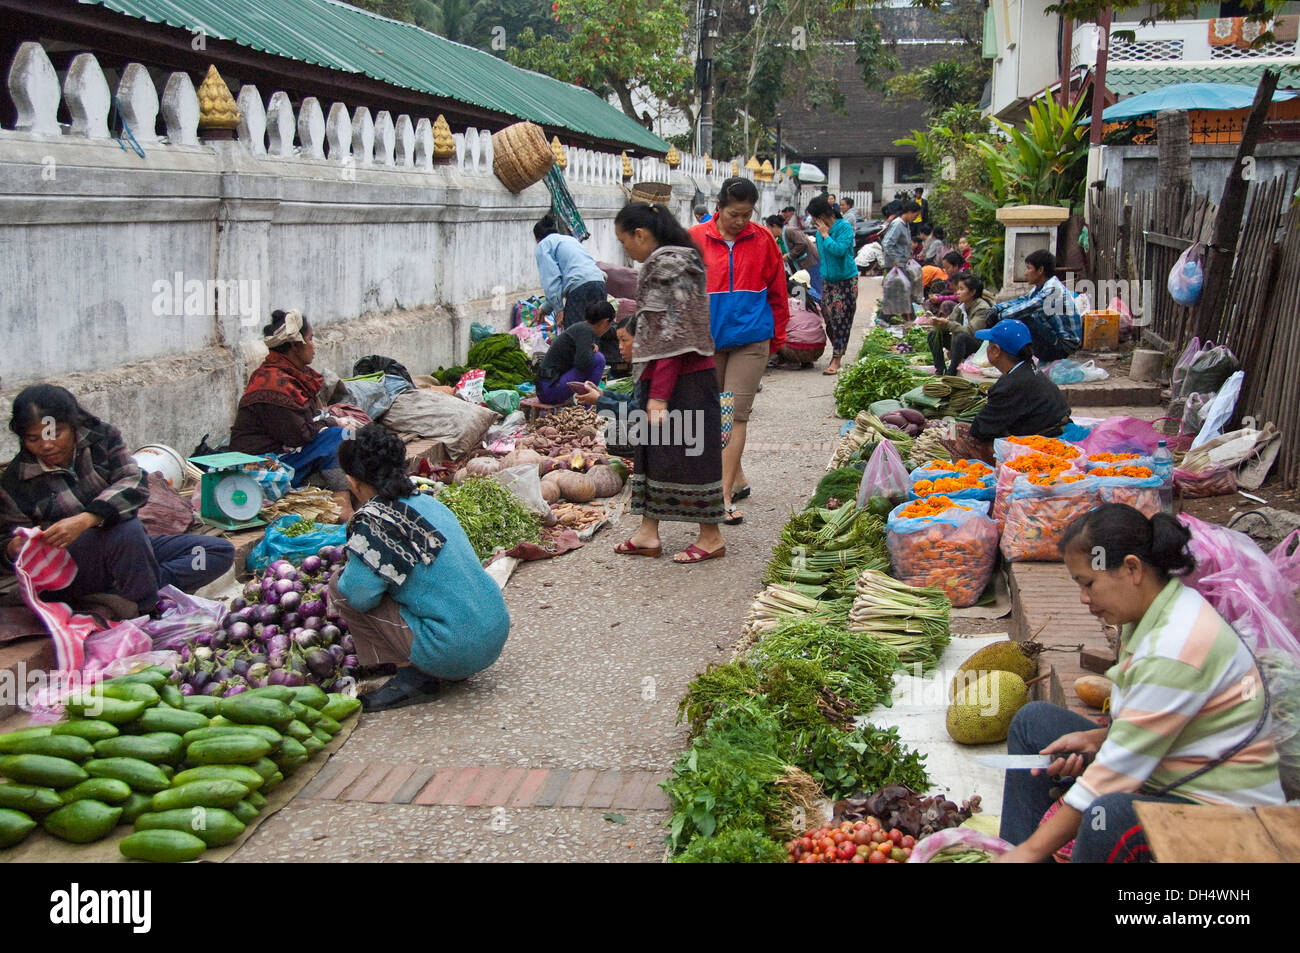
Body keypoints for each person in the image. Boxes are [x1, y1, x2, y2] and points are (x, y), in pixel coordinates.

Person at [997, 504, 1284, 863]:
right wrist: (1098, 739)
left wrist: (1031, 850)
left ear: (1132, 568)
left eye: (1089, 583)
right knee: (1032, 723)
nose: (1084, 599)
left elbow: (1113, 776)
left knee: (1108, 815)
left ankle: (1021, 856)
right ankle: (1005, 853)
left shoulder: (1176, 647)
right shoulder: (1152, 612)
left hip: (1226, 815)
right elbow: (1163, 721)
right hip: (1173, 773)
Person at [0, 385, 234, 616]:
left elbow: (134, 482)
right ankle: (148, 609)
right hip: (75, 571)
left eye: (56, 433)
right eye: (33, 439)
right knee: (126, 529)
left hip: (130, 552)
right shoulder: (16, 482)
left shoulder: (102, 439)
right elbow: (11, 549)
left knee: (214, 553)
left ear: (73, 425)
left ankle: (129, 591)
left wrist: (87, 518)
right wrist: (13, 548)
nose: (46, 445)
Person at [330, 423, 510, 712]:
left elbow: (359, 595)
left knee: (340, 587)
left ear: (353, 482)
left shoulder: (374, 519)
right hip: (494, 631)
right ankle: (437, 660)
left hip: (456, 650)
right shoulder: (428, 502)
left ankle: (411, 677)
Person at [613, 202, 726, 563]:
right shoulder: (667, 263)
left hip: (685, 380)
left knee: (693, 455)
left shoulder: (672, 267)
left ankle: (711, 537)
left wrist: (659, 397)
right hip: (661, 376)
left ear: (641, 234)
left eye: (624, 240)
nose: (625, 249)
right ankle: (648, 533)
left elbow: (673, 337)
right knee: (655, 453)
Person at [690, 177, 789, 526]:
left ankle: (722, 495)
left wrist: (774, 340)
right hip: (708, 343)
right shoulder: (695, 239)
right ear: (719, 207)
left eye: (747, 215)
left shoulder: (762, 240)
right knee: (713, 415)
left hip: (750, 342)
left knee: (734, 415)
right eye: (734, 214)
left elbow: (778, 292)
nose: (741, 221)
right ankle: (738, 476)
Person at [229, 310, 351, 514]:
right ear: (296, 345)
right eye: (311, 339)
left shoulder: (285, 375)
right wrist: (332, 423)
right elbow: (300, 436)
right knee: (337, 436)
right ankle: (344, 509)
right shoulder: (276, 383)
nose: (314, 346)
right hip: (260, 468)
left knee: (348, 436)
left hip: (282, 454)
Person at [945, 320, 1072, 463]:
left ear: (995, 351)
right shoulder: (1029, 369)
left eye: (988, 344)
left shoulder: (1010, 385)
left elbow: (980, 430)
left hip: (1043, 445)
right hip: (1052, 430)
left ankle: (980, 474)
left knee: (953, 433)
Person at [987, 249, 1081, 361]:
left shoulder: (1052, 289)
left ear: (1040, 270)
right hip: (1055, 339)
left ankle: (1017, 359)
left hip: (1065, 346)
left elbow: (1026, 308)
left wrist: (999, 317)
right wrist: (997, 308)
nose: (1025, 273)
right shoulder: (1041, 287)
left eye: (1029, 268)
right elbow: (1023, 300)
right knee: (1019, 318)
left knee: (1023, 317)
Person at [806, 194, 858, 376]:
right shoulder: (820, 232)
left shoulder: (843, 227)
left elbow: (839, 251)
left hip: (845, 280)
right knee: (828, 318)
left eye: (813, 217)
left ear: (821, 215)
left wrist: (826, 236)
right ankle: (838, 350)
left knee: (841, 320)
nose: (812, 221)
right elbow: (821, 255)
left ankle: (836, 358)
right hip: (828, 280)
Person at [533, 214, 606, 329]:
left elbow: (552, 280)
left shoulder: (543, 245)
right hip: (599, 283)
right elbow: (573, 277)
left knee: (575, 335)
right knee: (595, 332)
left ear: (537, 239)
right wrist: (545, 309)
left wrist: (559, 310)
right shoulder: (569, 240)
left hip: (580, 290)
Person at [534, 299, 614, 405]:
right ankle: (587, 405)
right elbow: (582, 363)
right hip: (549, 390)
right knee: (598, 359)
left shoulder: (581, 328)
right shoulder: (585, 331)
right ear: (605, 322)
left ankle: (585, 402)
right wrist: (590, 351)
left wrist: (588, 349)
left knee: (595, 357)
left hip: (545, 388)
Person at [927, 272, 992, 375]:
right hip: (960, 345)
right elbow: (950, 323)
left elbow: (971, 331)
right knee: (933, 334)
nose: (957, 292)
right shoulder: (960, 306)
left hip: (978, 347)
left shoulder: (982, 308)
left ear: (972, 292)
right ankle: (940, 369)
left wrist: (947, 323)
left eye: (961, 289)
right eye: (957, 289)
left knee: (961, 336)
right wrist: (939, 324)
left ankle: (951, 371)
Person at [880, 200, 921, 323]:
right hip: (896, 265)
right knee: (899, 290)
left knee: (902, 290)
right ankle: (886, 317)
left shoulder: (905, 224)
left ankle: (906, 317)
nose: (915, 218)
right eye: (915, 215)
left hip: (902, 263)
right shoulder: (898, 224)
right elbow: (886, 243)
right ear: (909, 212)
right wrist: (896, 260)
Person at [765, 214, 822, 301]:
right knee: (807, 292)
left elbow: (802, 244)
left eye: (768, 228)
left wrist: (789, 256)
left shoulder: (790, 231)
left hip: (809, 264)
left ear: (775, 226)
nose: (768, 231)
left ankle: (820, 309)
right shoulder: (779, 240)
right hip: (800, 268)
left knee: (815, 289)